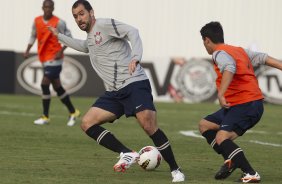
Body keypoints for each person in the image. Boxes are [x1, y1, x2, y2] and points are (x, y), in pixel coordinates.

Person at [48, 0, 185, 182]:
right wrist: (59, 36)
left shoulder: (104, 24)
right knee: (87, 123)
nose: (79, 19)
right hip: (115, 92)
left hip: (134, 83)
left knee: (148, 126)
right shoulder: (90, 37)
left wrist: (136, 56)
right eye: (75, 16)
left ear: (91, 12)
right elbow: (84, 47)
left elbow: (133, 32)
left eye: (82, 14)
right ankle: (127, 153)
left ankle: (176, 170)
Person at [199, 21, 282, 183]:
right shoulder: (239, 50)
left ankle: (250, 173)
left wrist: (221, 94)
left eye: (203, 42)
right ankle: (230, 161)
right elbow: (264, 58)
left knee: (222, 137)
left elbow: (229, 67)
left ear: (207, 40)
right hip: (240, 104)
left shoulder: (219, 53)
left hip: (246, 104)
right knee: (205, 125)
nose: (204, 46)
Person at [24, 0, 80, 126]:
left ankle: (45, 116)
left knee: (44, 84)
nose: (48, 9)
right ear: (42, 8)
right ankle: (73, 112)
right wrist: (27, 50)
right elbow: (33, 36)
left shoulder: (58, 22)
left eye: (50, 7)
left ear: (53, 8)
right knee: (57, 87)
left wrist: (61, 50)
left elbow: (69, 37)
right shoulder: (37, 21)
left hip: (55, 58)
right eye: (46, 7)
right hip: (43, 58)